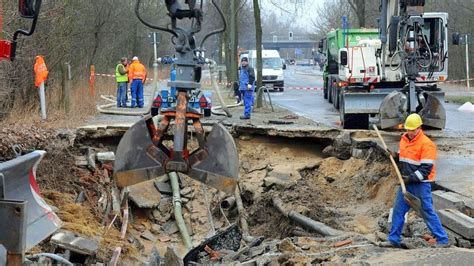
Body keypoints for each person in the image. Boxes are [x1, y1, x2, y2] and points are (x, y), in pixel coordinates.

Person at [382, 113, 449, 248]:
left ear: (419, 128)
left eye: (413, 130)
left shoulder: (426, 144)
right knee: (398, 211)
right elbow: (405, 158)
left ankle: (442, 240)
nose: (410, 132)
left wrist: (410, 179)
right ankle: (393, 239)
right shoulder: (404, 140)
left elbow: (426, 169)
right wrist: (395, 156)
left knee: (426, 211)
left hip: (420, 185)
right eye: (408, 129)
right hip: (406, 183)